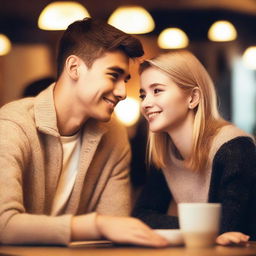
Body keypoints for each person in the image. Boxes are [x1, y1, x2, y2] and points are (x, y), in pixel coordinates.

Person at [0, 18, 168, 247]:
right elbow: (3, 224)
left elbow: (116, 229)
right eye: (113, 75)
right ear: (74, 68)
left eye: (125, 80)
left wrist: (107, 227)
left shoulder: (113, 134)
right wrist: (97, 224)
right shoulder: (12, 125)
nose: (121, 92)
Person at [133, 50, 256, 245]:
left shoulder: (235, 150)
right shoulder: (165, 154)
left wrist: (195, 229)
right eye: (143, 95)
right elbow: (142, 216)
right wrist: (201, 228)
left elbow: (228, 230)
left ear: (193, 98)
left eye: (157, 91)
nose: (145, 104)